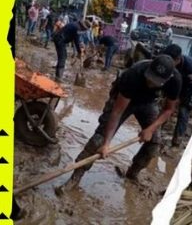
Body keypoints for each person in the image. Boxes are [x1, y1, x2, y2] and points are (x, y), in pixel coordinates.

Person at [55, 55, 182, 194]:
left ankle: (133, 173)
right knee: (99, 140)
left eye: (156, 81)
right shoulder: (134, 74)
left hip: (148, 103)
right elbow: (117, 112)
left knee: (154, 143)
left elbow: (169, 109)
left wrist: (151, 129)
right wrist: (106, 143)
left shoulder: (175, 80)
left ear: (167, 79)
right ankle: (75, 177)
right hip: (124, 100)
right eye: (149, 78)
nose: (150, 82)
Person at [162, 44, 192, 147]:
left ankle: (177, 141)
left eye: (171, 61)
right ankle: (156, 131)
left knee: (183, 112)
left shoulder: (189, 66)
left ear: (178, 59)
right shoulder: (167, 63)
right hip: (175, 86)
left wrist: (180, 99)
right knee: (166, 107)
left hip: (190, 88)